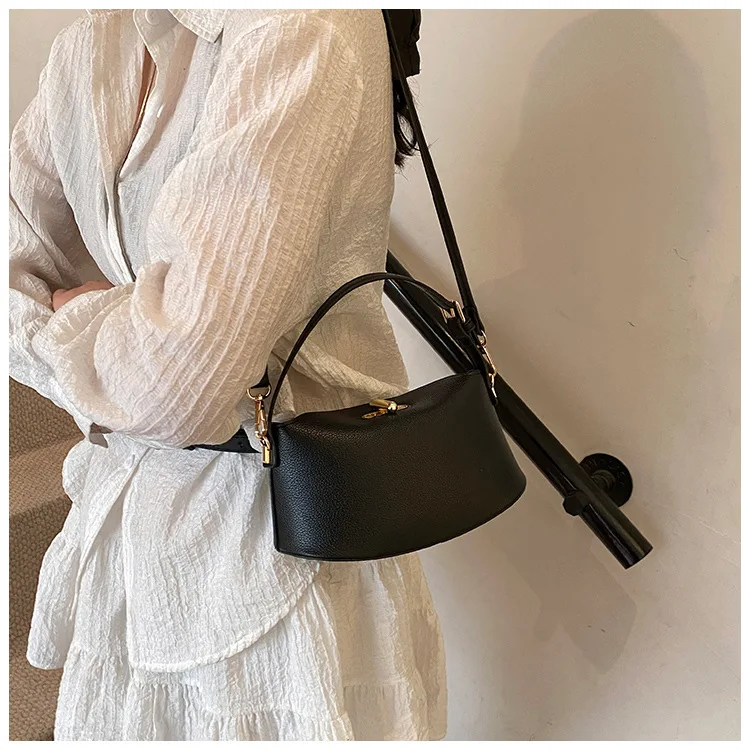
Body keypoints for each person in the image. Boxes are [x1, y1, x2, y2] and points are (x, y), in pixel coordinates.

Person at [9, 9, 447, 741]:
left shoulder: (300, 26)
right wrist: (127, 333)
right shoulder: (93, 42)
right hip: (126, 529)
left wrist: (76, 316)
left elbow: (179, 387)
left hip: (280, 549)